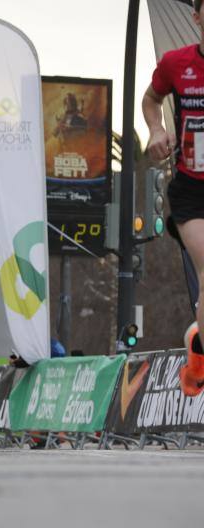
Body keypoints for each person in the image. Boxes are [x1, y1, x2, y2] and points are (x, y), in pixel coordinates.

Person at [142, 0, 204, 397]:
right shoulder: (175, 63)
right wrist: (155, 130)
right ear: (197, 18)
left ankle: (198, 350)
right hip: (192, 189)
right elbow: (151, 100)